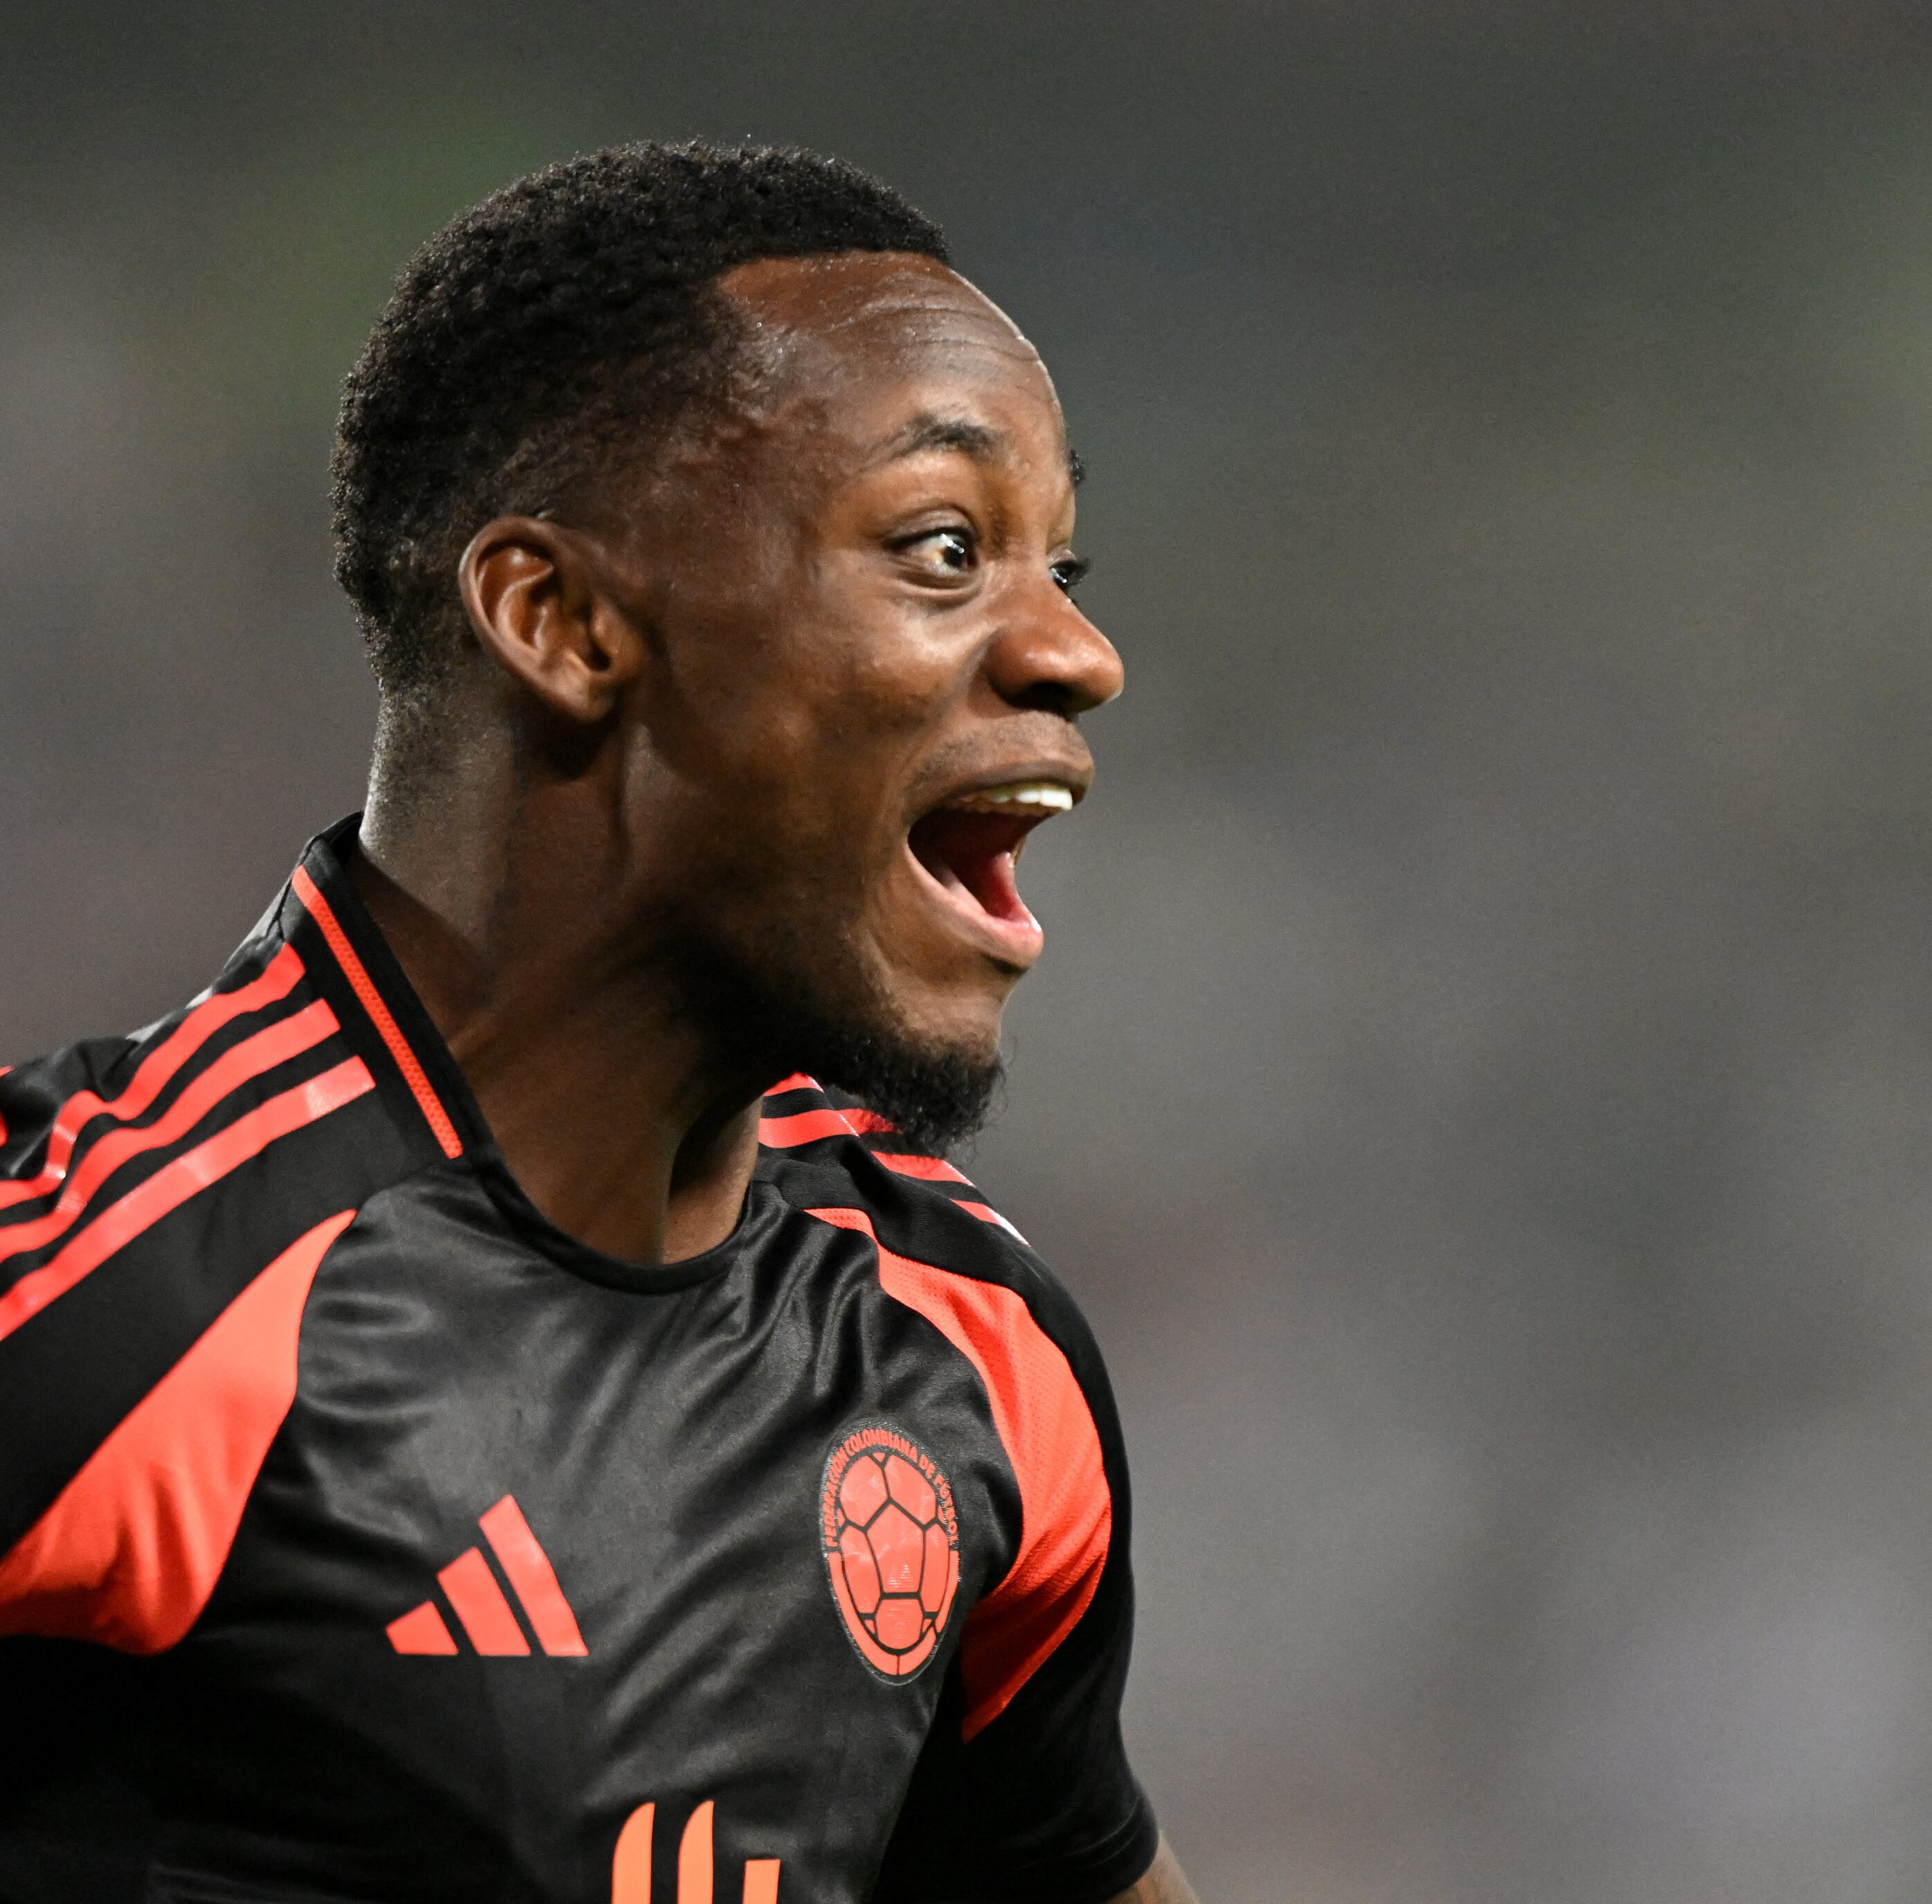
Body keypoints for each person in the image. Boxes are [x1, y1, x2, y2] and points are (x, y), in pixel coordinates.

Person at [0, 142, 1195, 1904]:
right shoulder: (105, 1293)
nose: (1074, 653)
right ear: (560, 620)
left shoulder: (968, 1360)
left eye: (1061, 564)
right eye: (944, 549)